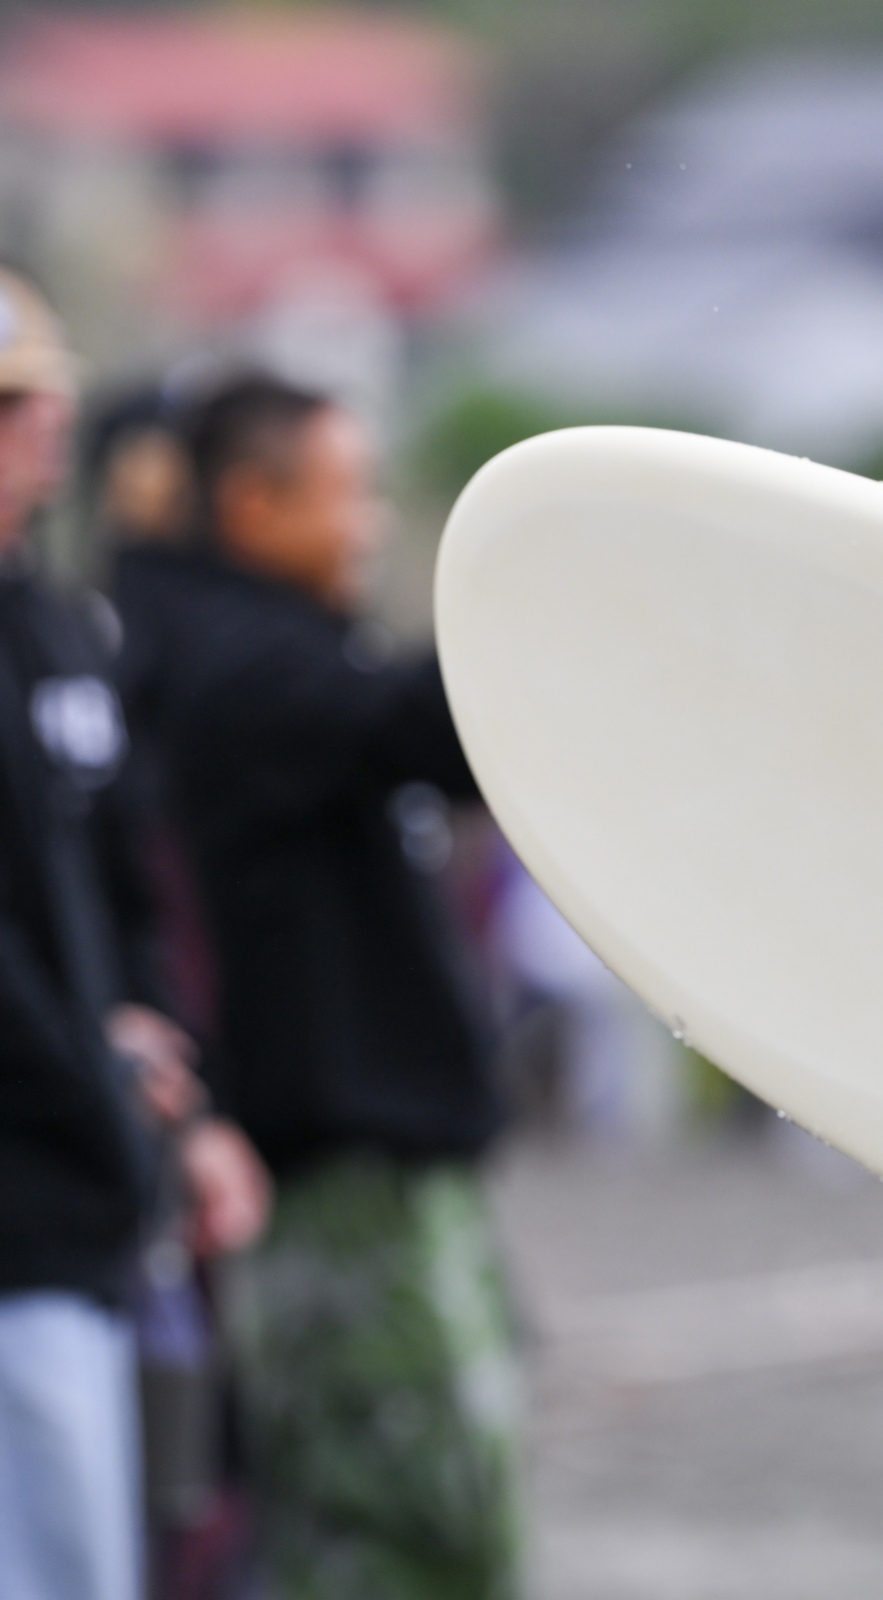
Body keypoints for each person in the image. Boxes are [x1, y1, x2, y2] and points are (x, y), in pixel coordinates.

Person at [122, 373, 521, 1600]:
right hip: (335, 1185)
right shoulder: (229, 663)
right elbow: (422, 723)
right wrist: (561, 602)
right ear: (253, 503)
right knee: (397, 1518)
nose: (370, 524)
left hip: (368, 1168)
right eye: (350, 494)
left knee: (421, 1510)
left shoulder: (256, 639)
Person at [0, 273, 268, 1600]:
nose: (47, 422)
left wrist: (174, 1096)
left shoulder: (58, 630)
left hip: (80, 1199)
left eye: (46, 395)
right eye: (15, 402)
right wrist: (93, 1075)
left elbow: (127, 886)